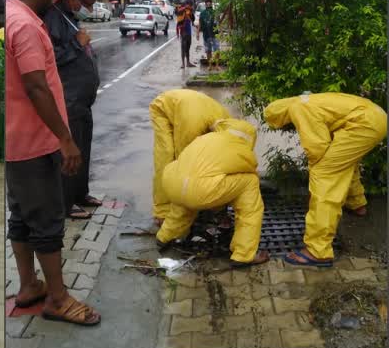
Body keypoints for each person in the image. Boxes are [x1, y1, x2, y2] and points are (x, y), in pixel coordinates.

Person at [6, 0, 101, 326]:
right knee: (46, 219)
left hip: (20, 142)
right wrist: (65, 139)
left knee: (22, 215)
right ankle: (58, 299)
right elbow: (35, 85)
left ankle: (29, 285)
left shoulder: (18, 17)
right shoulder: (27, 26)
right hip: (34, 142)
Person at [264, 92, 387, 267]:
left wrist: (316, 168)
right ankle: (357, 204)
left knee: (325, 174)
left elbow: (316, 149)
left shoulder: (298, 108)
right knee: (343, 164)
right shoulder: (308, 99)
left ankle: (318, 251)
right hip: (375, 117)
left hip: (363, 124)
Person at [156, 119, 269, 266]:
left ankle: (164, 236)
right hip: (200, 192)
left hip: (171, 184)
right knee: (250, 181)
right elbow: (248, 172)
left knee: (188, 184)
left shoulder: (205, 138)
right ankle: (244, 254)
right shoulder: (242, 150)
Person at [43, 0, 103, 221]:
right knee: (70, 152)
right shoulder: (53, 18)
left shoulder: (70, 18)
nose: (87, 8)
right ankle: (66, 203)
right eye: (84, 3)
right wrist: (78, 45)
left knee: (84, 148)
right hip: (69, 98)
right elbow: (53, 57)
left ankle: (81, 194)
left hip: (83, 99)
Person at [149, 89, 231, 225]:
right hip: (163, 107)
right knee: (167, 157)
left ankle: (213, 207)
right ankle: (162, 211)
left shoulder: (228, 122)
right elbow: (184, 159)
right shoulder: (193, 126)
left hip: (188, 106)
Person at [176, 0, 196, 68]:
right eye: (189, 4)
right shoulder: (182, 10)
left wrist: (191, 12)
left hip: (189, 32)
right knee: (183, 47)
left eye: (190, 5)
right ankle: (183, 64)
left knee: (188, 48)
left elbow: (193, 19)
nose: (190, 6)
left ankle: (188, 63)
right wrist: (185, 8)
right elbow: (178, 13)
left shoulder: (190, 12)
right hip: (183, 32)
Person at [200, 0, 219, 70]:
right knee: (208, 50)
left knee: (217, 50)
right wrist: (198, 33)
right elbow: (200, 23)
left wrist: (221, 31)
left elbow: (218, 22)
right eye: (207, 3)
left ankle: (217, 65)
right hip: (206, 35)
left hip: (215, 34)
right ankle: (210, 65)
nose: (208, 4)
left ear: (211, 4)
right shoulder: (202, 13)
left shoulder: (215, 12)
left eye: (209, 3)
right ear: (205, 4)